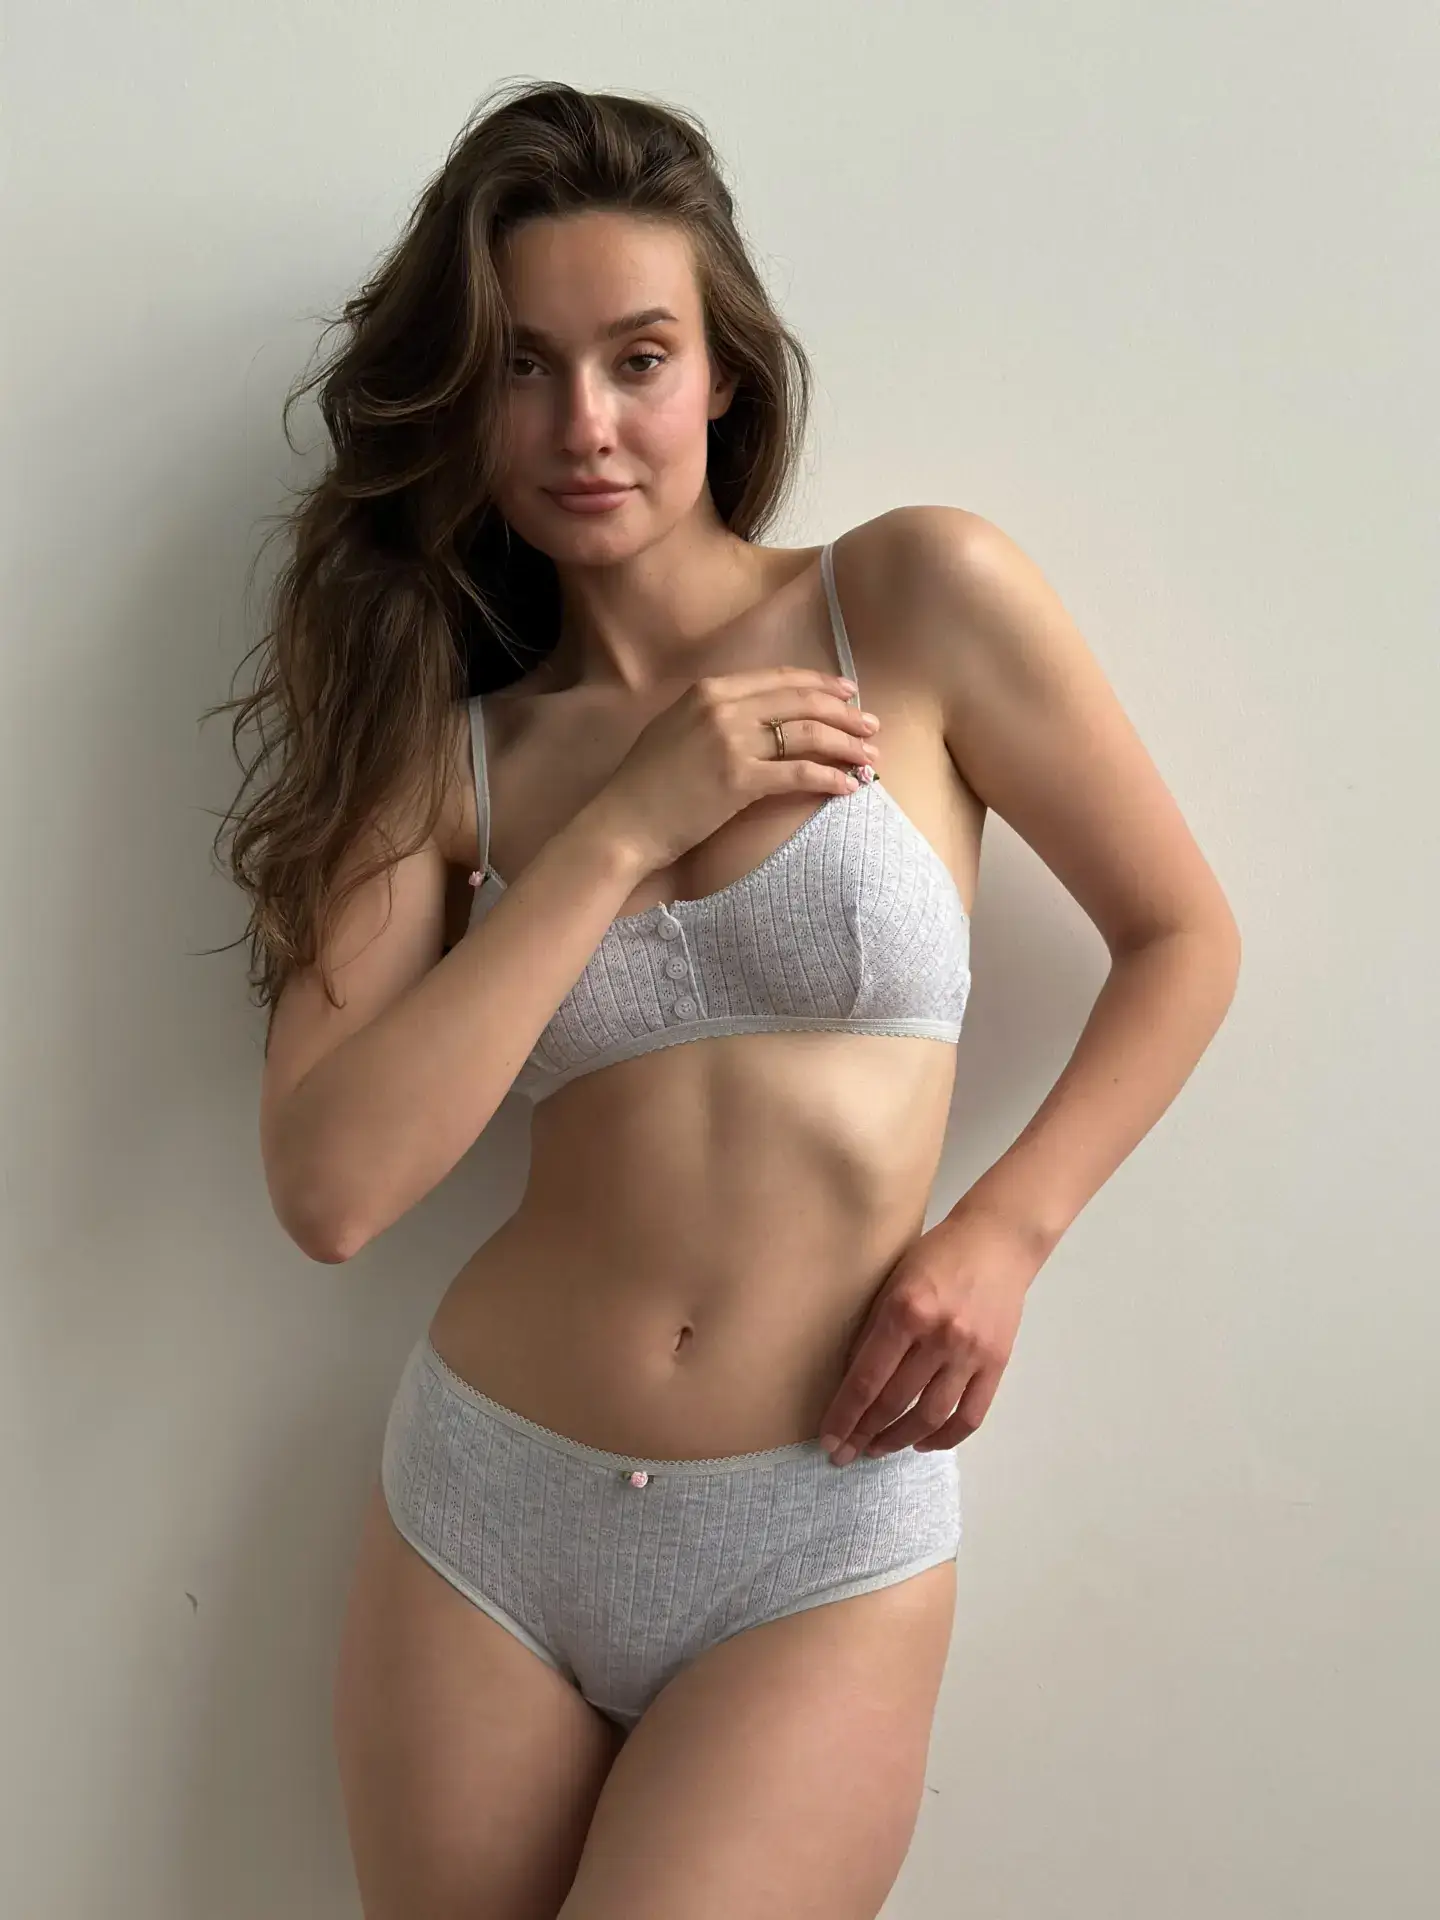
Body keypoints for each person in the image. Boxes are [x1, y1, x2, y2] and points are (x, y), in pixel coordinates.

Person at [214, 79, 1240, 1920]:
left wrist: (1005, 1232)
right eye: (523, 369)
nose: (584, 426)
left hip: (817, 1527)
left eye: (639, 358)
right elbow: (330, 1188)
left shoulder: (912, 600)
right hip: (488, 1514)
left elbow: (1182, 938)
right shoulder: (445, 756)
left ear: (724, 377)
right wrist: (620, 827)